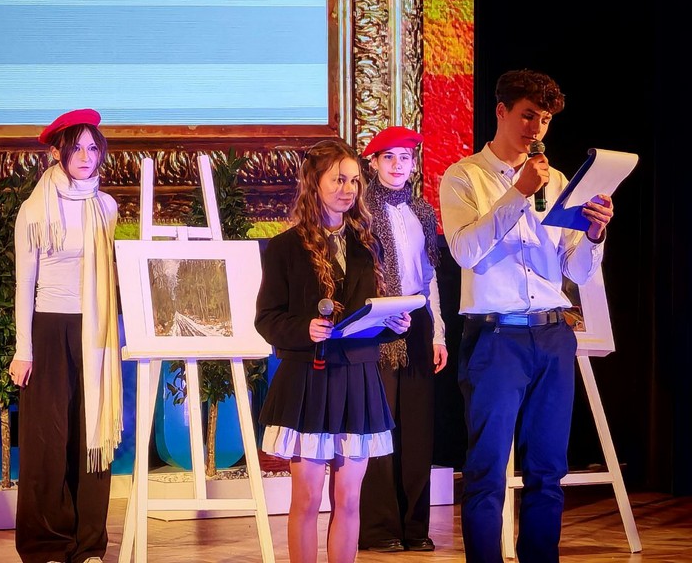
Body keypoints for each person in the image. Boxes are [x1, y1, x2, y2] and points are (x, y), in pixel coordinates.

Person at [438, 69, 614, 563]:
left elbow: (575, 268)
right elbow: (465, 252)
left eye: (545, 120)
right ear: (501, 111)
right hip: (496, 338)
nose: (536, 129)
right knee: (487, 470)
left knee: (548, 470)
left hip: (553, 336)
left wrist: (595, 234)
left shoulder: (558, 181)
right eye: (528, 116)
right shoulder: (463, 176)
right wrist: (517, 193)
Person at [255, 138, 412, 563]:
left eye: (354, 181)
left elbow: (368, 317)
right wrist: (304, 328)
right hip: (309, 379)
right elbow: (267, 319)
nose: (348, 189)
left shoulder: (367, 243)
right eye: (338, 179)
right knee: (307, 499)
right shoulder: (286, 247)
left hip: (358, 380)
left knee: (349, 498)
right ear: (314, 182)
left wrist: (392, 325)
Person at [9, 108, 123, 563]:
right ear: (57, 152)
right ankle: (46, 545)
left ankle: (89, 543)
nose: (86, 156)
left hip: (96, 329)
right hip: (50, 326)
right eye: (76, 147)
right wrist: (24, 349)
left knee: (93, 432)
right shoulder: (35, 210)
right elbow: (24, 282)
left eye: (93, 147)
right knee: (48, 439)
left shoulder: (107, 206)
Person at [357, 126, 448, 553]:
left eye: (405, 158)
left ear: (414, 164)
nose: (397, 165)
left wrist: (438, 334)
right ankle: (379, 529)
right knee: (380, 425)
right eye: (388, 157)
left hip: (418, 322)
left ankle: (415, 527)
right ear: (373, 162)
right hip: (377, 323)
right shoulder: (361, 210)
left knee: (416, 429)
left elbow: (429, 277)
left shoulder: (422, 211)